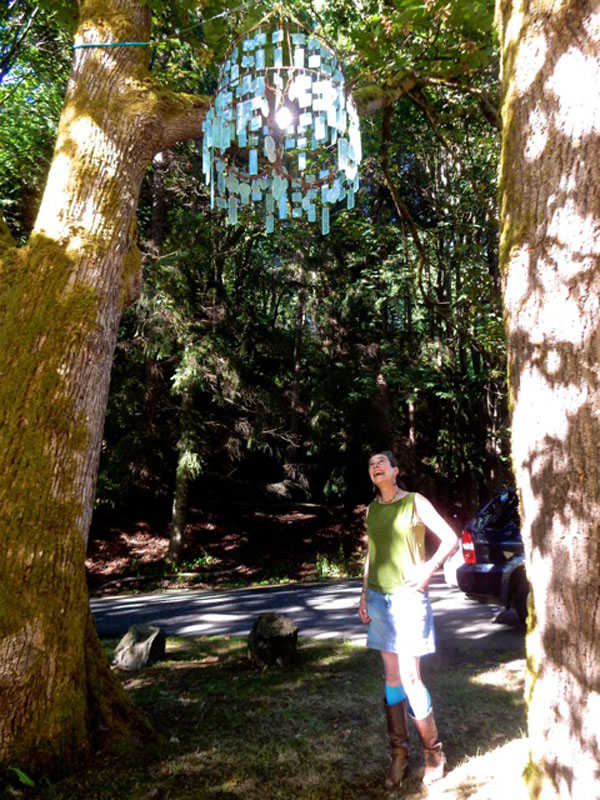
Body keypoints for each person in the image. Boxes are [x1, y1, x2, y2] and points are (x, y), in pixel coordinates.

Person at [358, 450, 458, 789]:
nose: (375, 467)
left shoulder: (414, 502)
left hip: (408, 598)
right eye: (371, 464)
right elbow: (372, 552)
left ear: (395, 470)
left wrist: (429, 568)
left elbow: (450, 539)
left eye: (381, 462)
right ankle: (399, 754)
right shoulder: (372, 510)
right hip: (379, 599)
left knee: (411, 677)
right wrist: (363, 595)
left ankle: (433, 753)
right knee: (391, 677)